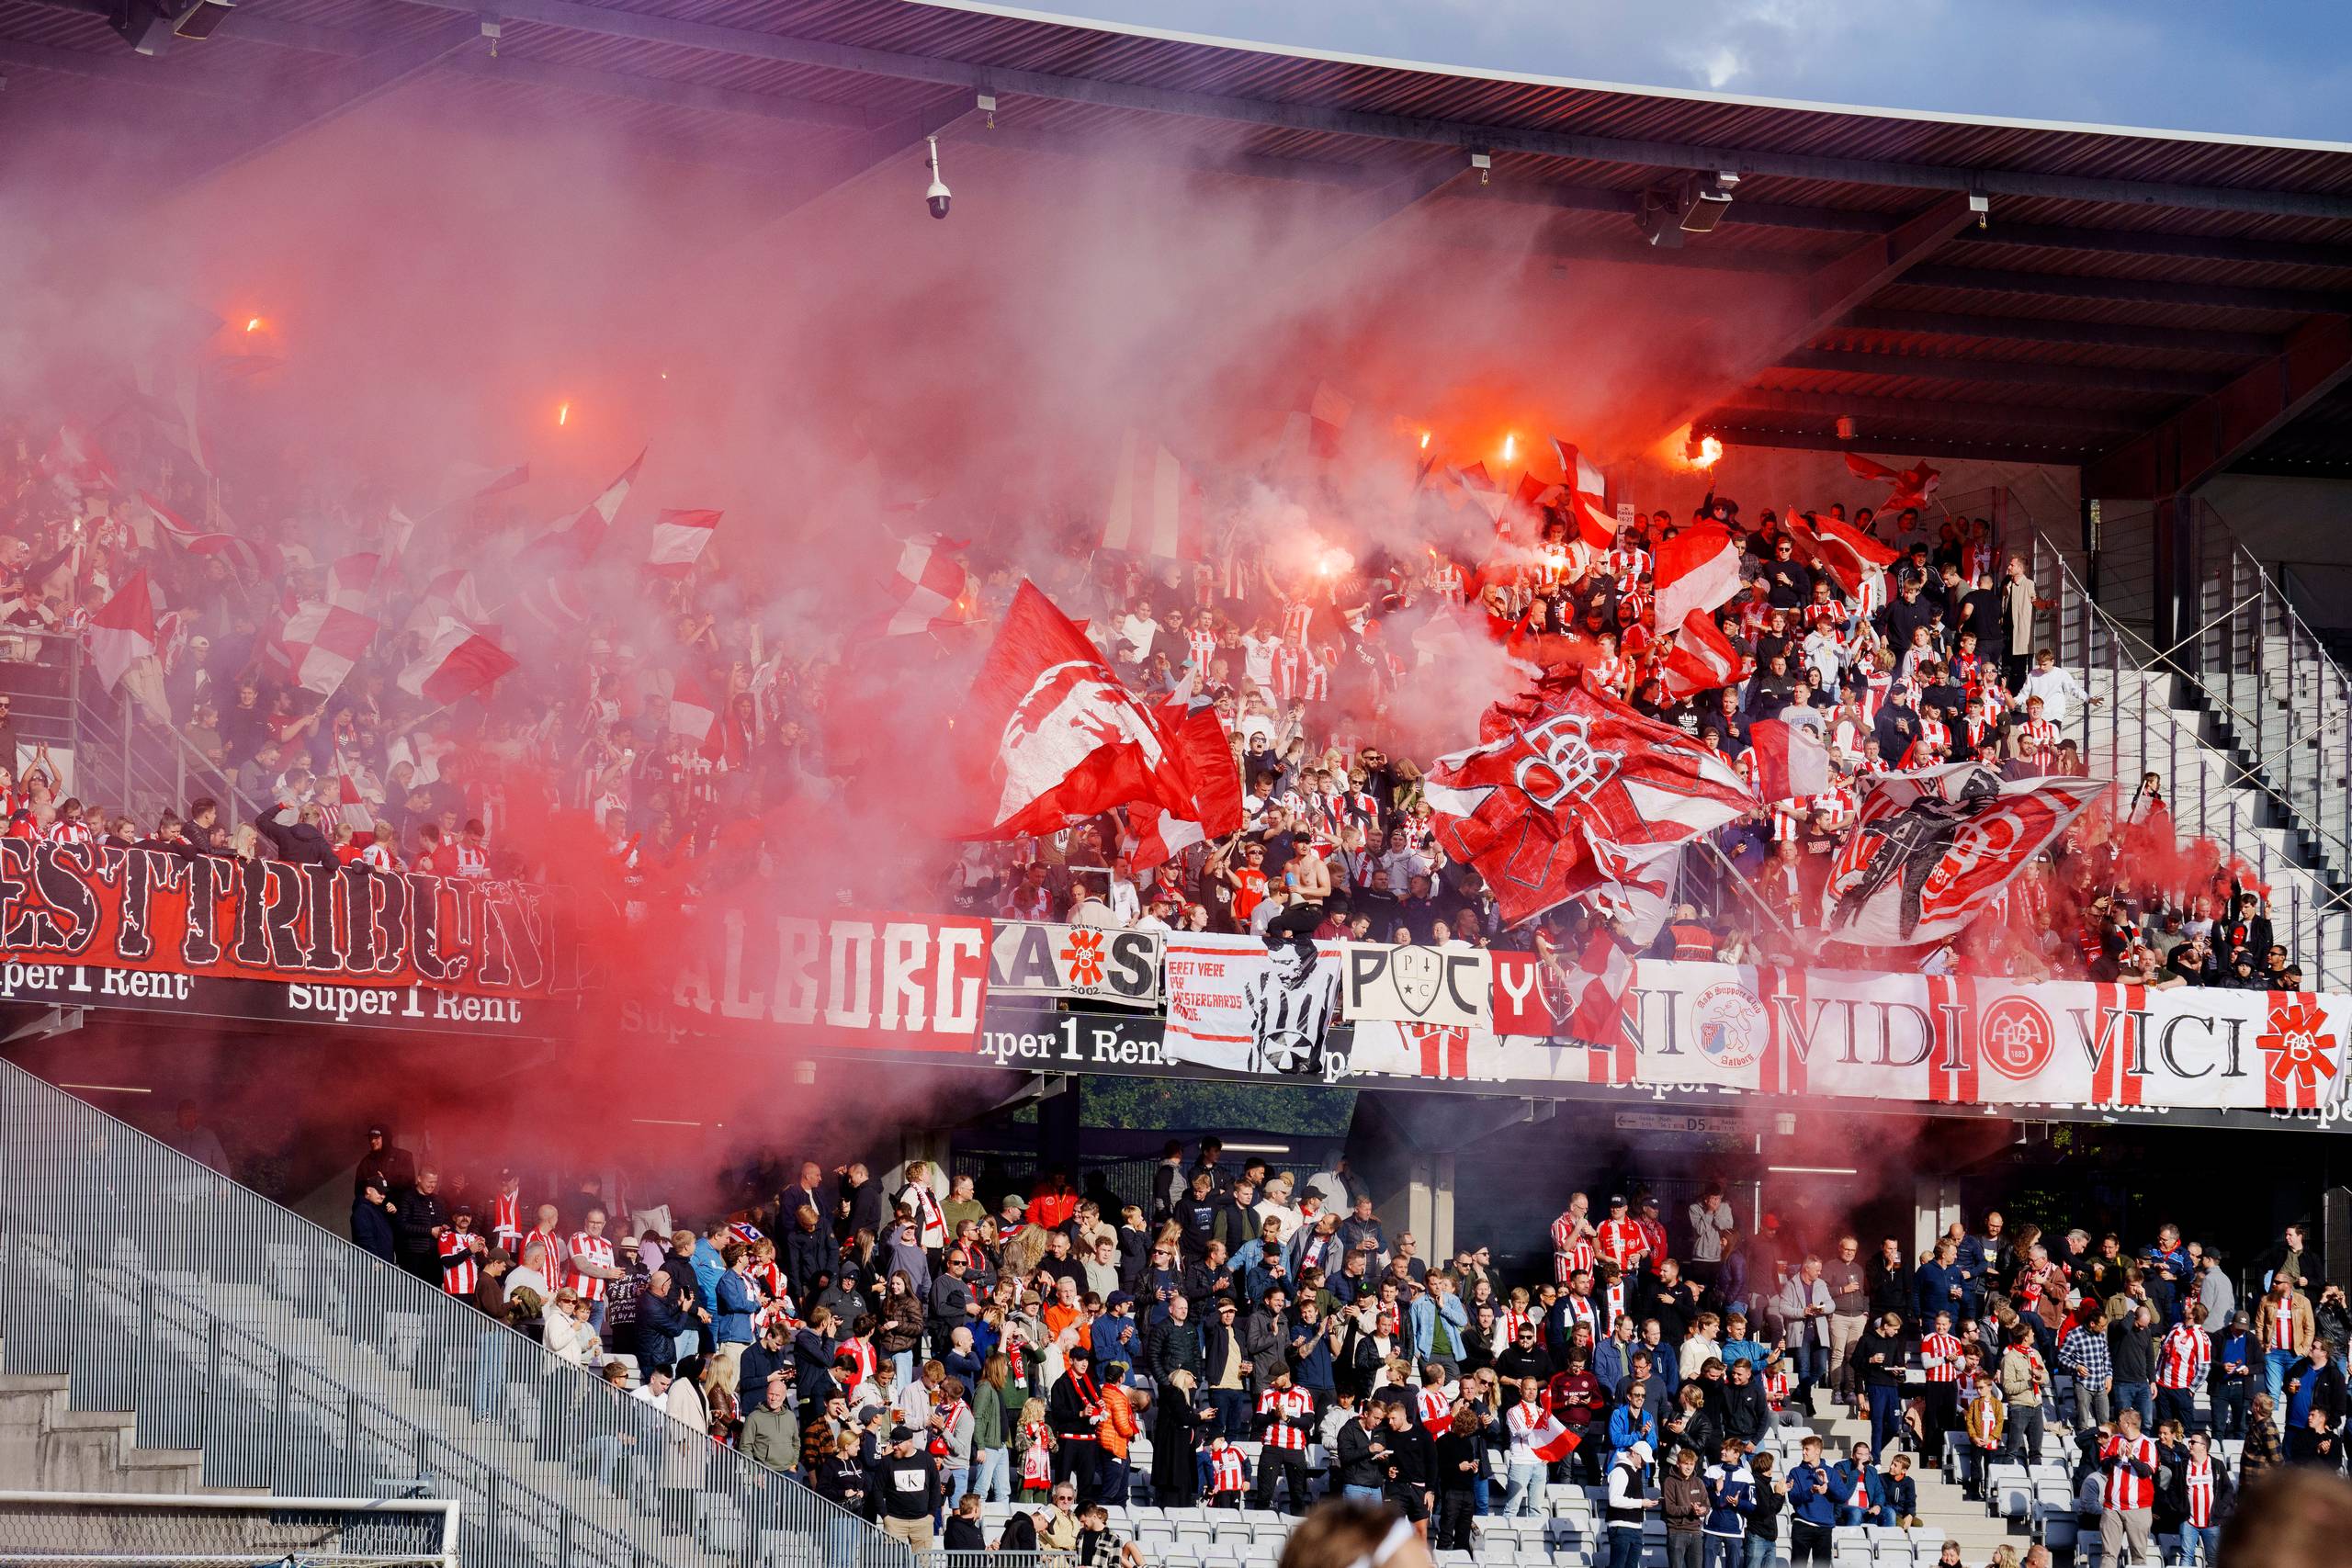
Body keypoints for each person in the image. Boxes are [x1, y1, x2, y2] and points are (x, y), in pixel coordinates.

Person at [2098, 1408, 2159, 1565]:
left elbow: (2146, 1471)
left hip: (2138, 1508)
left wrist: (2131, 1457)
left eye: (2119, 1422)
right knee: (2108, 1553)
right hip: (2112, 1507)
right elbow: (2104, 1466)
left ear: (2127, 1424)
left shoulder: (2147, 1444)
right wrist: (2117, 1457)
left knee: (2138, 1556)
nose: (2117, 1424)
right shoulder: (2115, 1440)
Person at [1784, 1434, 1836, 1564]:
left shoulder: (1830, 1472)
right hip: (1802, 1525)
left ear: (1817, 1451)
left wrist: (1827, 1484)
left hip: (1824, 1528)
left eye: (1807, 1449)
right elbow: (1793, 1498)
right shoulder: (1795, 1472)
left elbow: (1843, 1496)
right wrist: (1810, 1492)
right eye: (1803, 1449)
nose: (1803, 1452)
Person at [1604, 1439, 1656, 1568]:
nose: (1644, 1463)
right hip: (1621, 1527)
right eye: (1642, 1459)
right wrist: (1641, 1503)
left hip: (1635, 1527)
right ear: (1633, 1453)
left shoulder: (1634, 1472)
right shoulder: (1620, 1471)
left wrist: (1642, 1503)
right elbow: (1614, 1500)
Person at [1660, 1441, 1708, 1568]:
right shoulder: (1669, 1481)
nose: (1689, 1467)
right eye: (1685, 1464)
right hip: (1676, 1531)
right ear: (1678, 1464)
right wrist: (1690, 1510)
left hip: (1696, 1532)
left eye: (1691, 1464)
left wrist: (1702, 1510)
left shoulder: (1698, 1482)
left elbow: (1707, 1505)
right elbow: (1670, 1508)